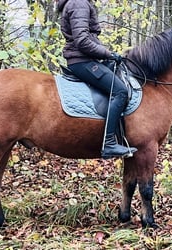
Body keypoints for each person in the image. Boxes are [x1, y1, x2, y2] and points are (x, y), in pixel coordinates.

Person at [57, 0, 137, 159]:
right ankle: (109, 143)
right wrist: (108, 54)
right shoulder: (78, 3)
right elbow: (82, 41)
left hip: (86, 60)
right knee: (120, 91)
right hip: (82, 61)